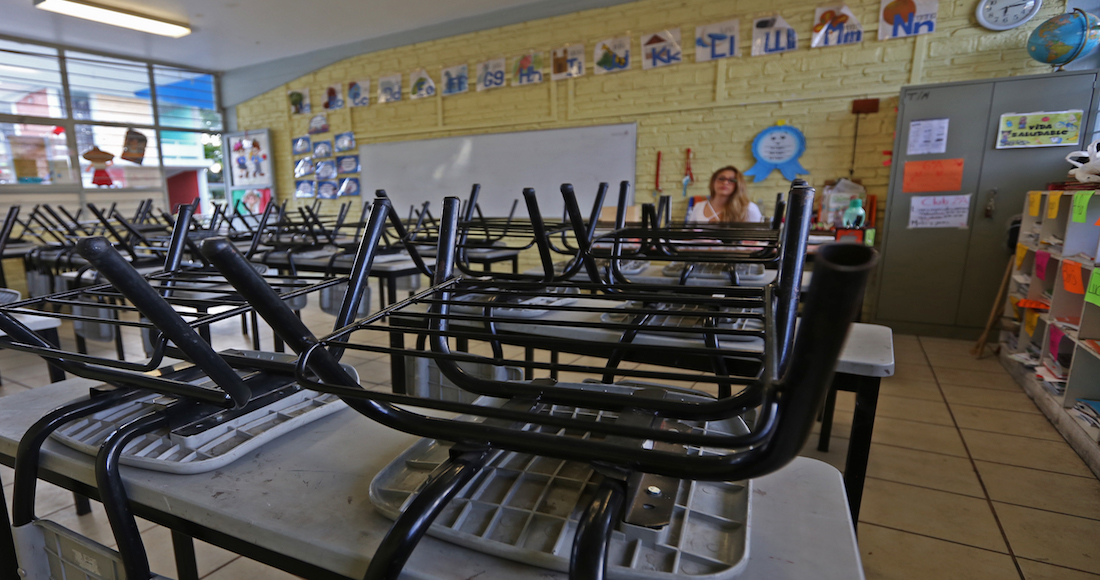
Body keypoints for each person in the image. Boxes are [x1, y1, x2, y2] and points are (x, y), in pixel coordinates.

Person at [688, 166, 763, 223]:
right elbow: (688, 235)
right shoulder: (698, 207)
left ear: (738, 185)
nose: (725, 183)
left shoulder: (748, 208)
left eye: (731, 180)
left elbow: (759, 237)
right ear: (713, 182)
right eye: (721, 179)